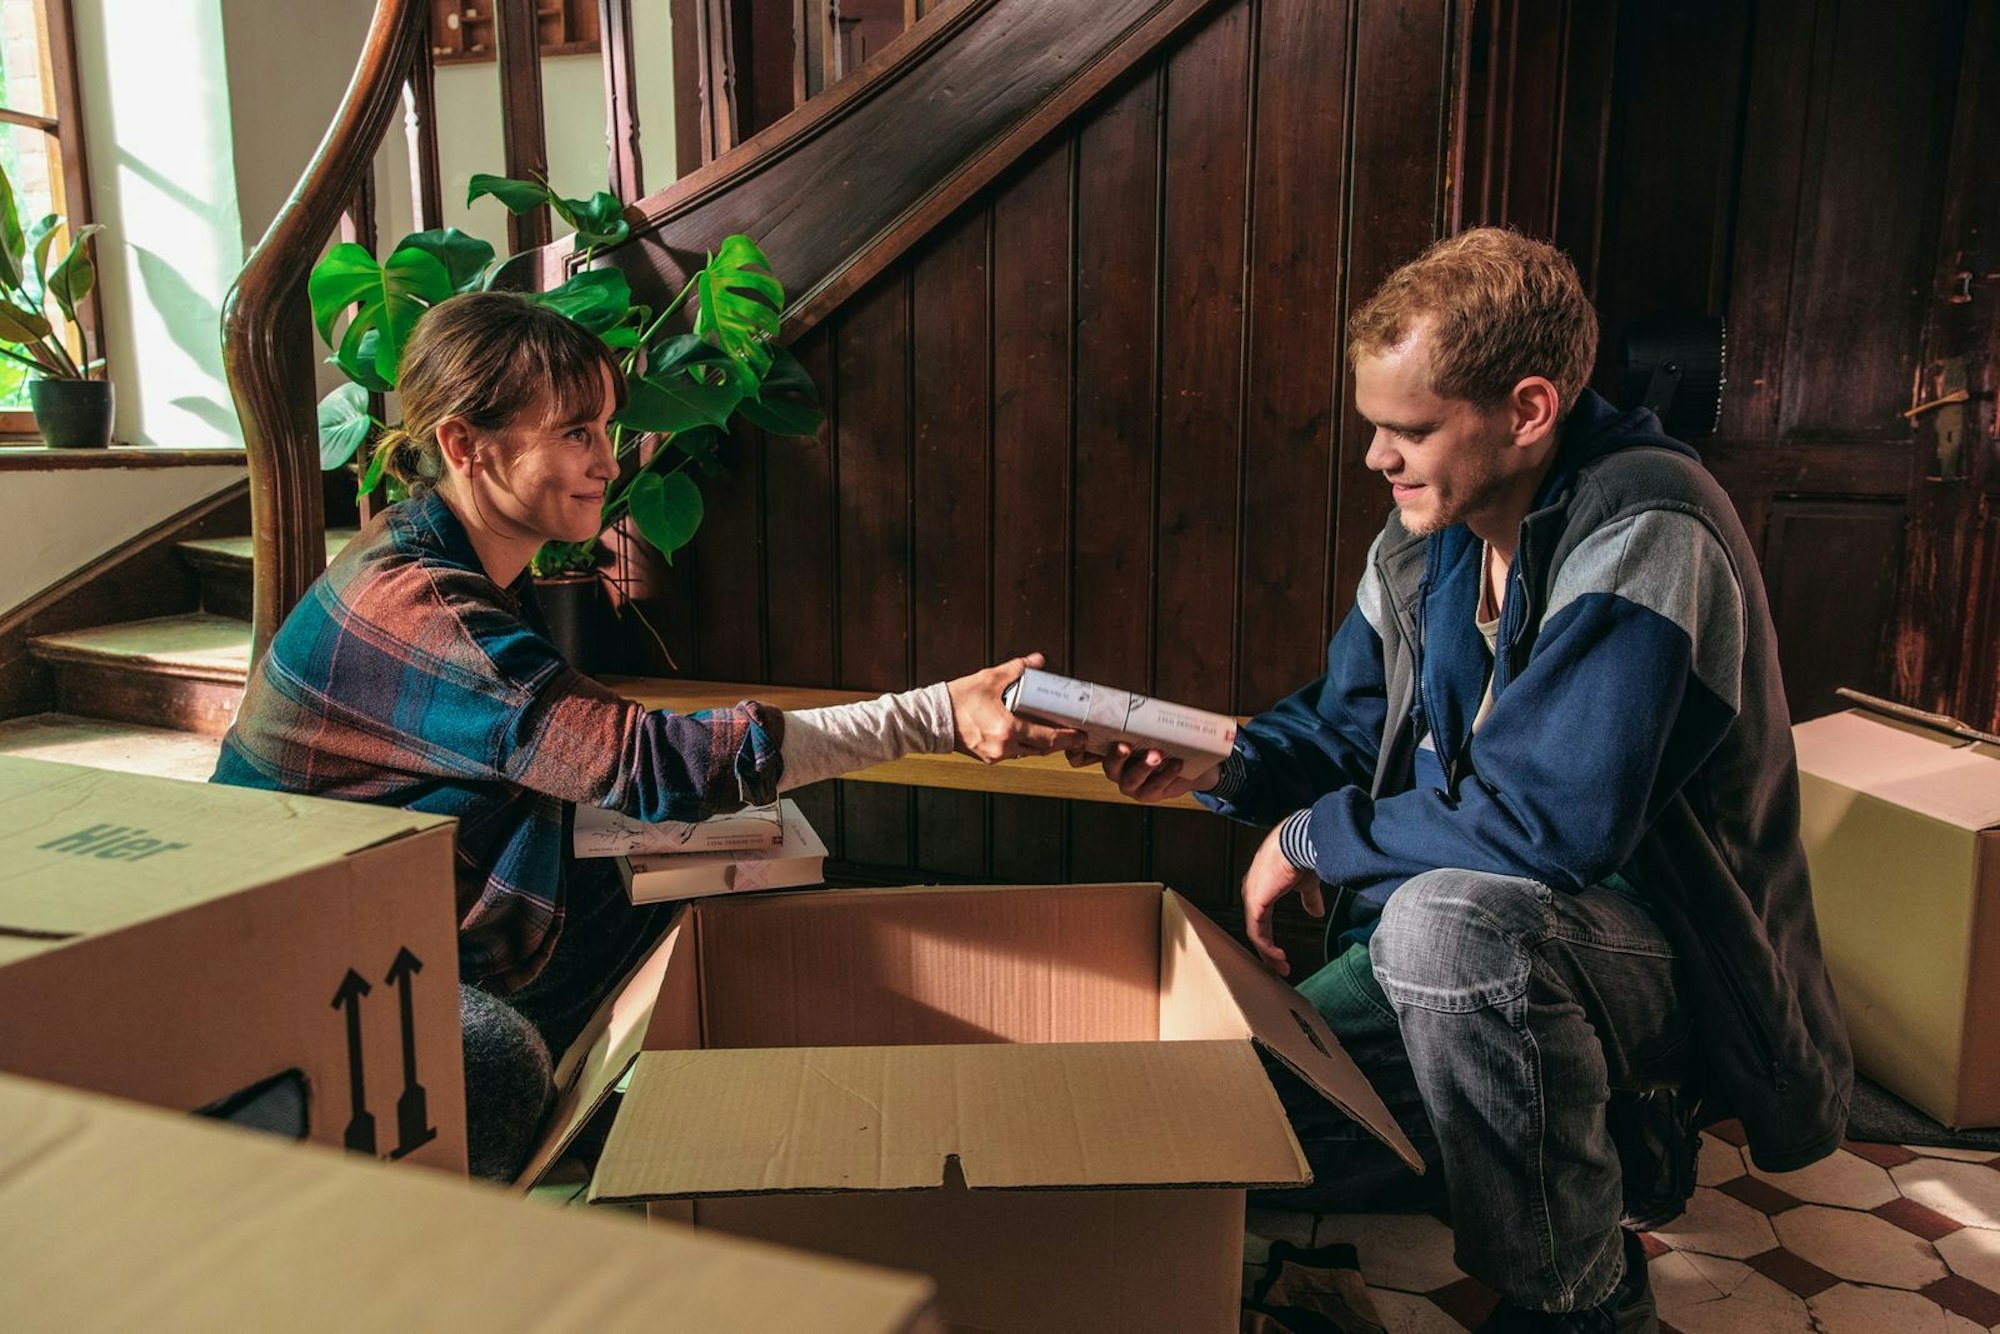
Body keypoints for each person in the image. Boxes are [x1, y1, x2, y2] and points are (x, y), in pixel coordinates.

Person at [1086, 228, 1850, 1332]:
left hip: (1642, 943)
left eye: (1408, 429)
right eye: (1373, 428)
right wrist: (1223, 758)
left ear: (1527, 408)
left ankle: (1580, 1298)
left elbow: (1549, 821)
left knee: (1447, 925)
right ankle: (1530, 1131)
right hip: (1431, 956)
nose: (1376, 459)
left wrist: (1308, 841)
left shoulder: (1648, 522)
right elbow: (1343, 725)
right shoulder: (1425, 534)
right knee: (1209, 1138)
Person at [212, 290, 1074, 1181]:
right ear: (466, 446)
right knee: (494, 1062)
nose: (608, 462)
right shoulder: (424, 606)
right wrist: (937, 713)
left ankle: (617, 1129)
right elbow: (658, 764)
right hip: (288, 980)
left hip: (395, 911)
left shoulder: (444, 557)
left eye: (609, 430)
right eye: (576, 434)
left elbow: (574, 760)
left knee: (693, 881)